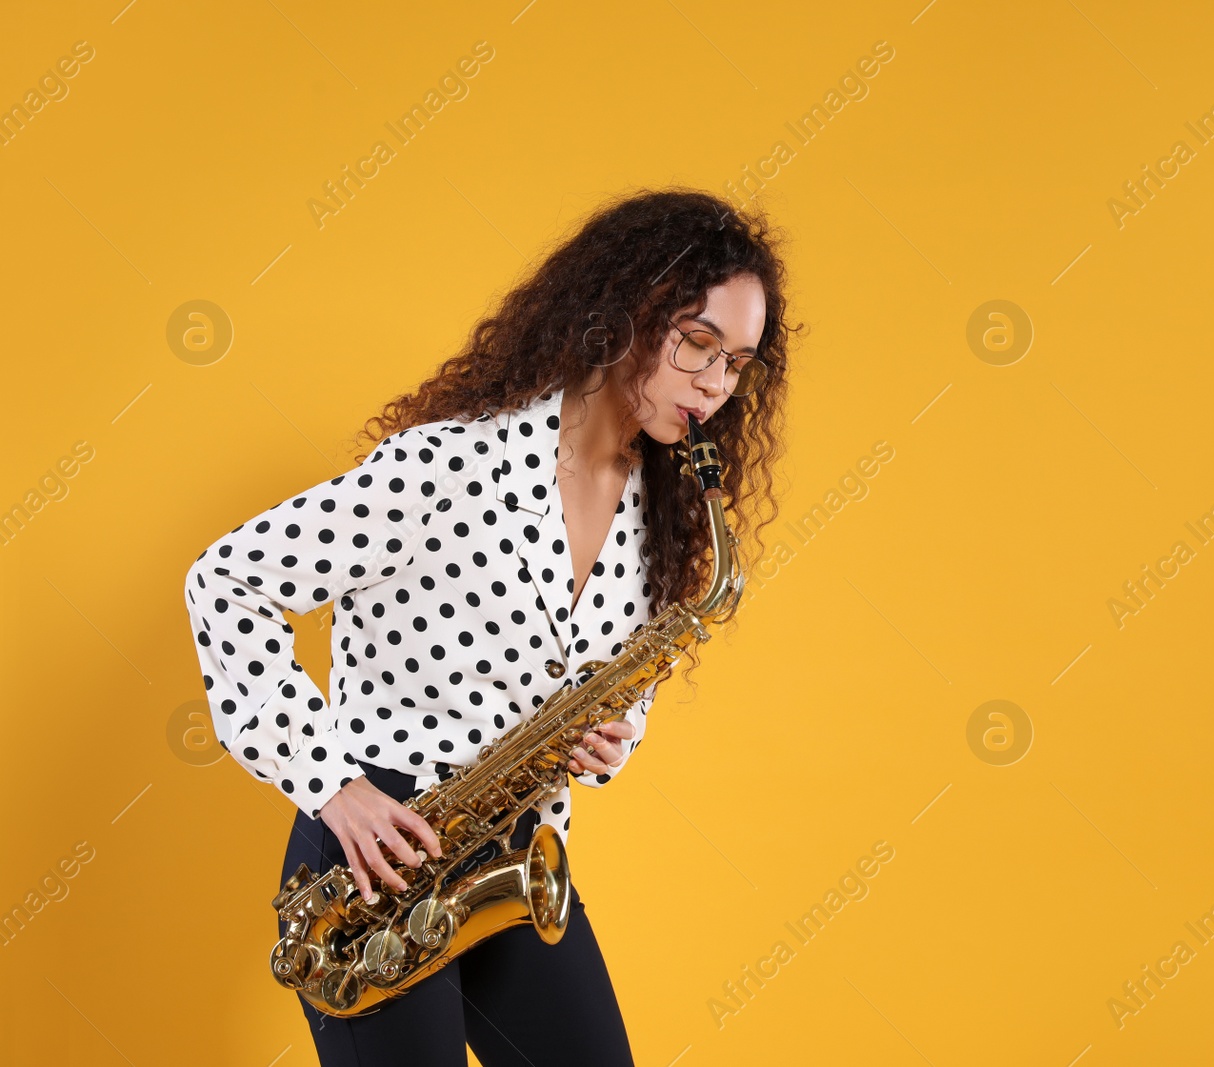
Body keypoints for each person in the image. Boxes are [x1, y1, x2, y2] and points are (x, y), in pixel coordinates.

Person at [181, 188, 796, 1066]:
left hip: (512, 850)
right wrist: (329, 783)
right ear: (625, 313)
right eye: (698, 342)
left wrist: (621, 731)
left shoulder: (666, 512)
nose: (715, 384)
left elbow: (629, 675)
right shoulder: (446, 466)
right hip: (379, 857)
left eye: (737, 362)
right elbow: (227, 581)